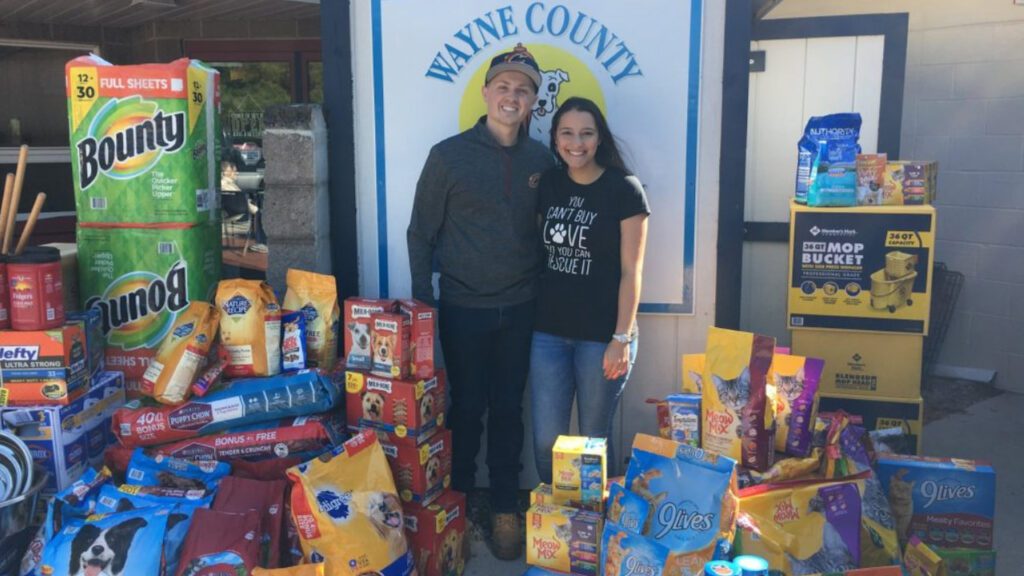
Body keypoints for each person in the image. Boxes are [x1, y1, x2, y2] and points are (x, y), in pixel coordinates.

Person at [407, 43, 555, 560]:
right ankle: (463, 505)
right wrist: (424, 309)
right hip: (463, 308)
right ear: (486, 92)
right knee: (466, 410)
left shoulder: (543, 159)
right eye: (504, 86)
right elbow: (420, 233)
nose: (512, 96)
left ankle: (507, 505)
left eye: (524, 89)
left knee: (509, 409)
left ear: (535, 101)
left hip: (521, 305)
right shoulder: (448, 155)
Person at [529, 97, 649, 484]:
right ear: (555, 138)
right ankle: (556, 524)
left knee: (593, 441)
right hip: (548, 333)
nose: (576, 142)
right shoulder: (547, 184)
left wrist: (621, 337)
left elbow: (632, 271)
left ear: (599, 139)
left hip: (603, 337)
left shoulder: (624, 189)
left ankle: (596, 530)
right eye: (567, 133)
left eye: (586, 133)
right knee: (548, 439)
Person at [220, 160, 267, 253]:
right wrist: (255, 207)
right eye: (234, 170)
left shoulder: (220, 184)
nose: (236, 173)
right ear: (226, 171)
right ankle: (262, 242)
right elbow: (242, 202)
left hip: (228, 212)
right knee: (259, 213)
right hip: (238, 213)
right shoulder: (228, 185)